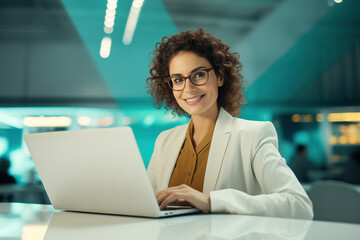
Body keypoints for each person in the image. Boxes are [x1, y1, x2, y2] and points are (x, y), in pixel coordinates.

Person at [146, 29, 313, 219]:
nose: (188, 88)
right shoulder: (165, 141)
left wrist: (211, 201)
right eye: (178, 79)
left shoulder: (253, 135)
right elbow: (147, 202)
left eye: (199, 75)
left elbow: (299, 205)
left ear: (220, 77)